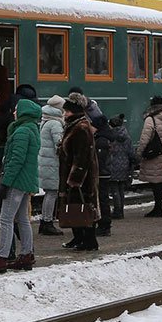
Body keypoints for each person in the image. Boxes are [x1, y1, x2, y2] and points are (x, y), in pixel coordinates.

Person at [0, 97, 41, 274]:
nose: (14, 112)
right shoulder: (31, 129)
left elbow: (16, 160)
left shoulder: (22, 131)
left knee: (6, 219)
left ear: (23, 112)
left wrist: (5, 183)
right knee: (22, 219)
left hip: (16, 181)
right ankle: (26, 255)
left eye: (16, 109)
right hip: (25, 181)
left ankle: (1, 258)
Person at [59, 92, 100, 251]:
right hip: (72, 174)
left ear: (73, 112)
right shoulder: (73, 126)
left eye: (66, 111)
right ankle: (78, 237)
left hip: (81, 177)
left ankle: (89, 240)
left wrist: (75, 179)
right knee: (74, 206)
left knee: (83, 206)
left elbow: (82, 156)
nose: (64, 114)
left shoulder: (81, 128)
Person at [94, 113, 135, 236]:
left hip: (112, 165)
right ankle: (120, 209)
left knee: (114, 189)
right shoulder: (126, 136)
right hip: (124, 164)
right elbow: (131, 151)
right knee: (121, 188)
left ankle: (117, 211)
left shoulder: (110, 137)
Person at [137, 95, 162, 217]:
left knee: (154, 181)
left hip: (153, 153)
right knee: (160, 181)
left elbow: (144, 139)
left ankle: (157, 208)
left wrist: (139, 153)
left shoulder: (150, 119)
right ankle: (158, 206)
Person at [38, 95, 65, 236]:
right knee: (52, 193)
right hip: (52, 163)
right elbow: (59, 144)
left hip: (46, 162)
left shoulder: (45, 120)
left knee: (49, 193)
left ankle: (45, 221)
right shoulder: (55, 123)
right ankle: (47, 222)